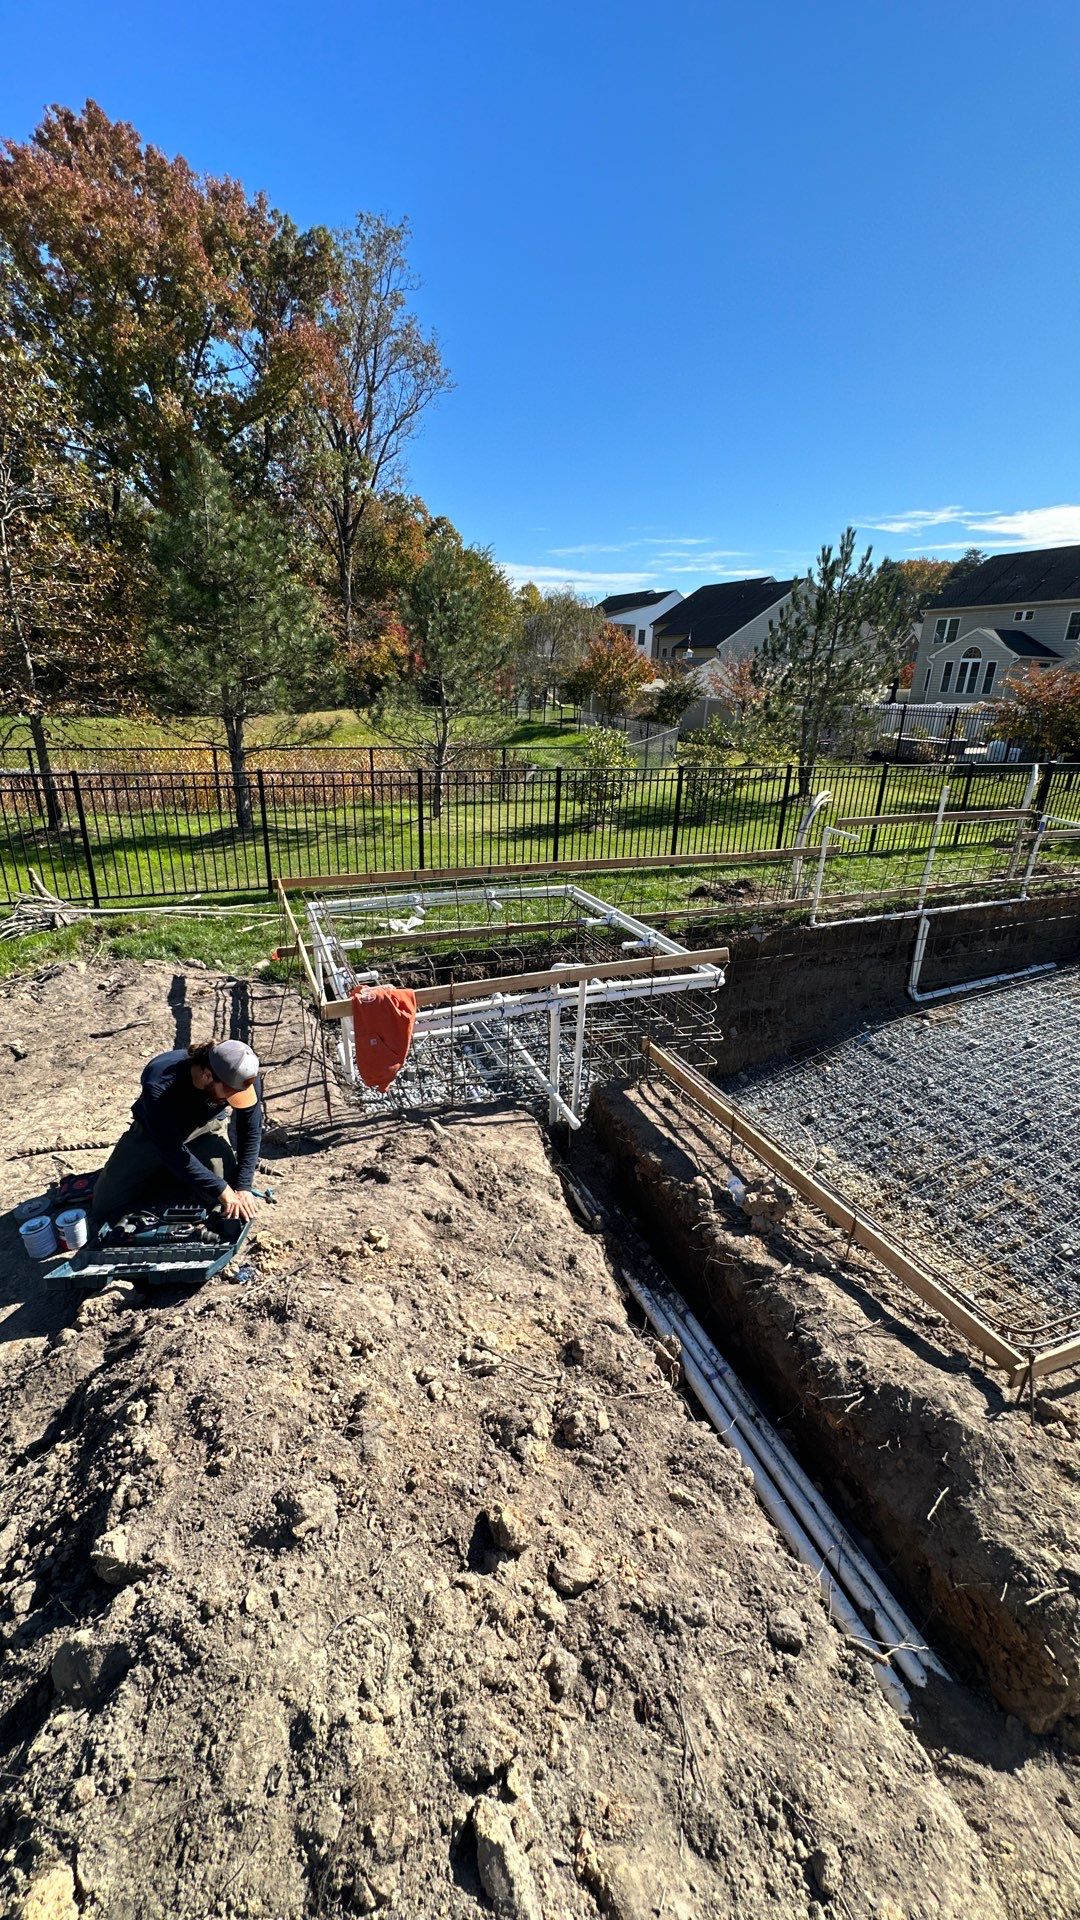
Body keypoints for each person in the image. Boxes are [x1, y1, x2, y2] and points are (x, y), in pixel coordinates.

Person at [90, 1039, 264, 1233]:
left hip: (204, 1127)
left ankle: (175, 1176)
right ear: (207, 1076)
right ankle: (162, 1174)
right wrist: (221, 1189)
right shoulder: (160, 1081)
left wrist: (243, 1186)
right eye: (228, 1095)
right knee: (104, 1205)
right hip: (154, 1135)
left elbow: (251, 1130)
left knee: (227, 1195)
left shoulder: (243, 1078)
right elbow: (170, 1150)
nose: (233, 1099)